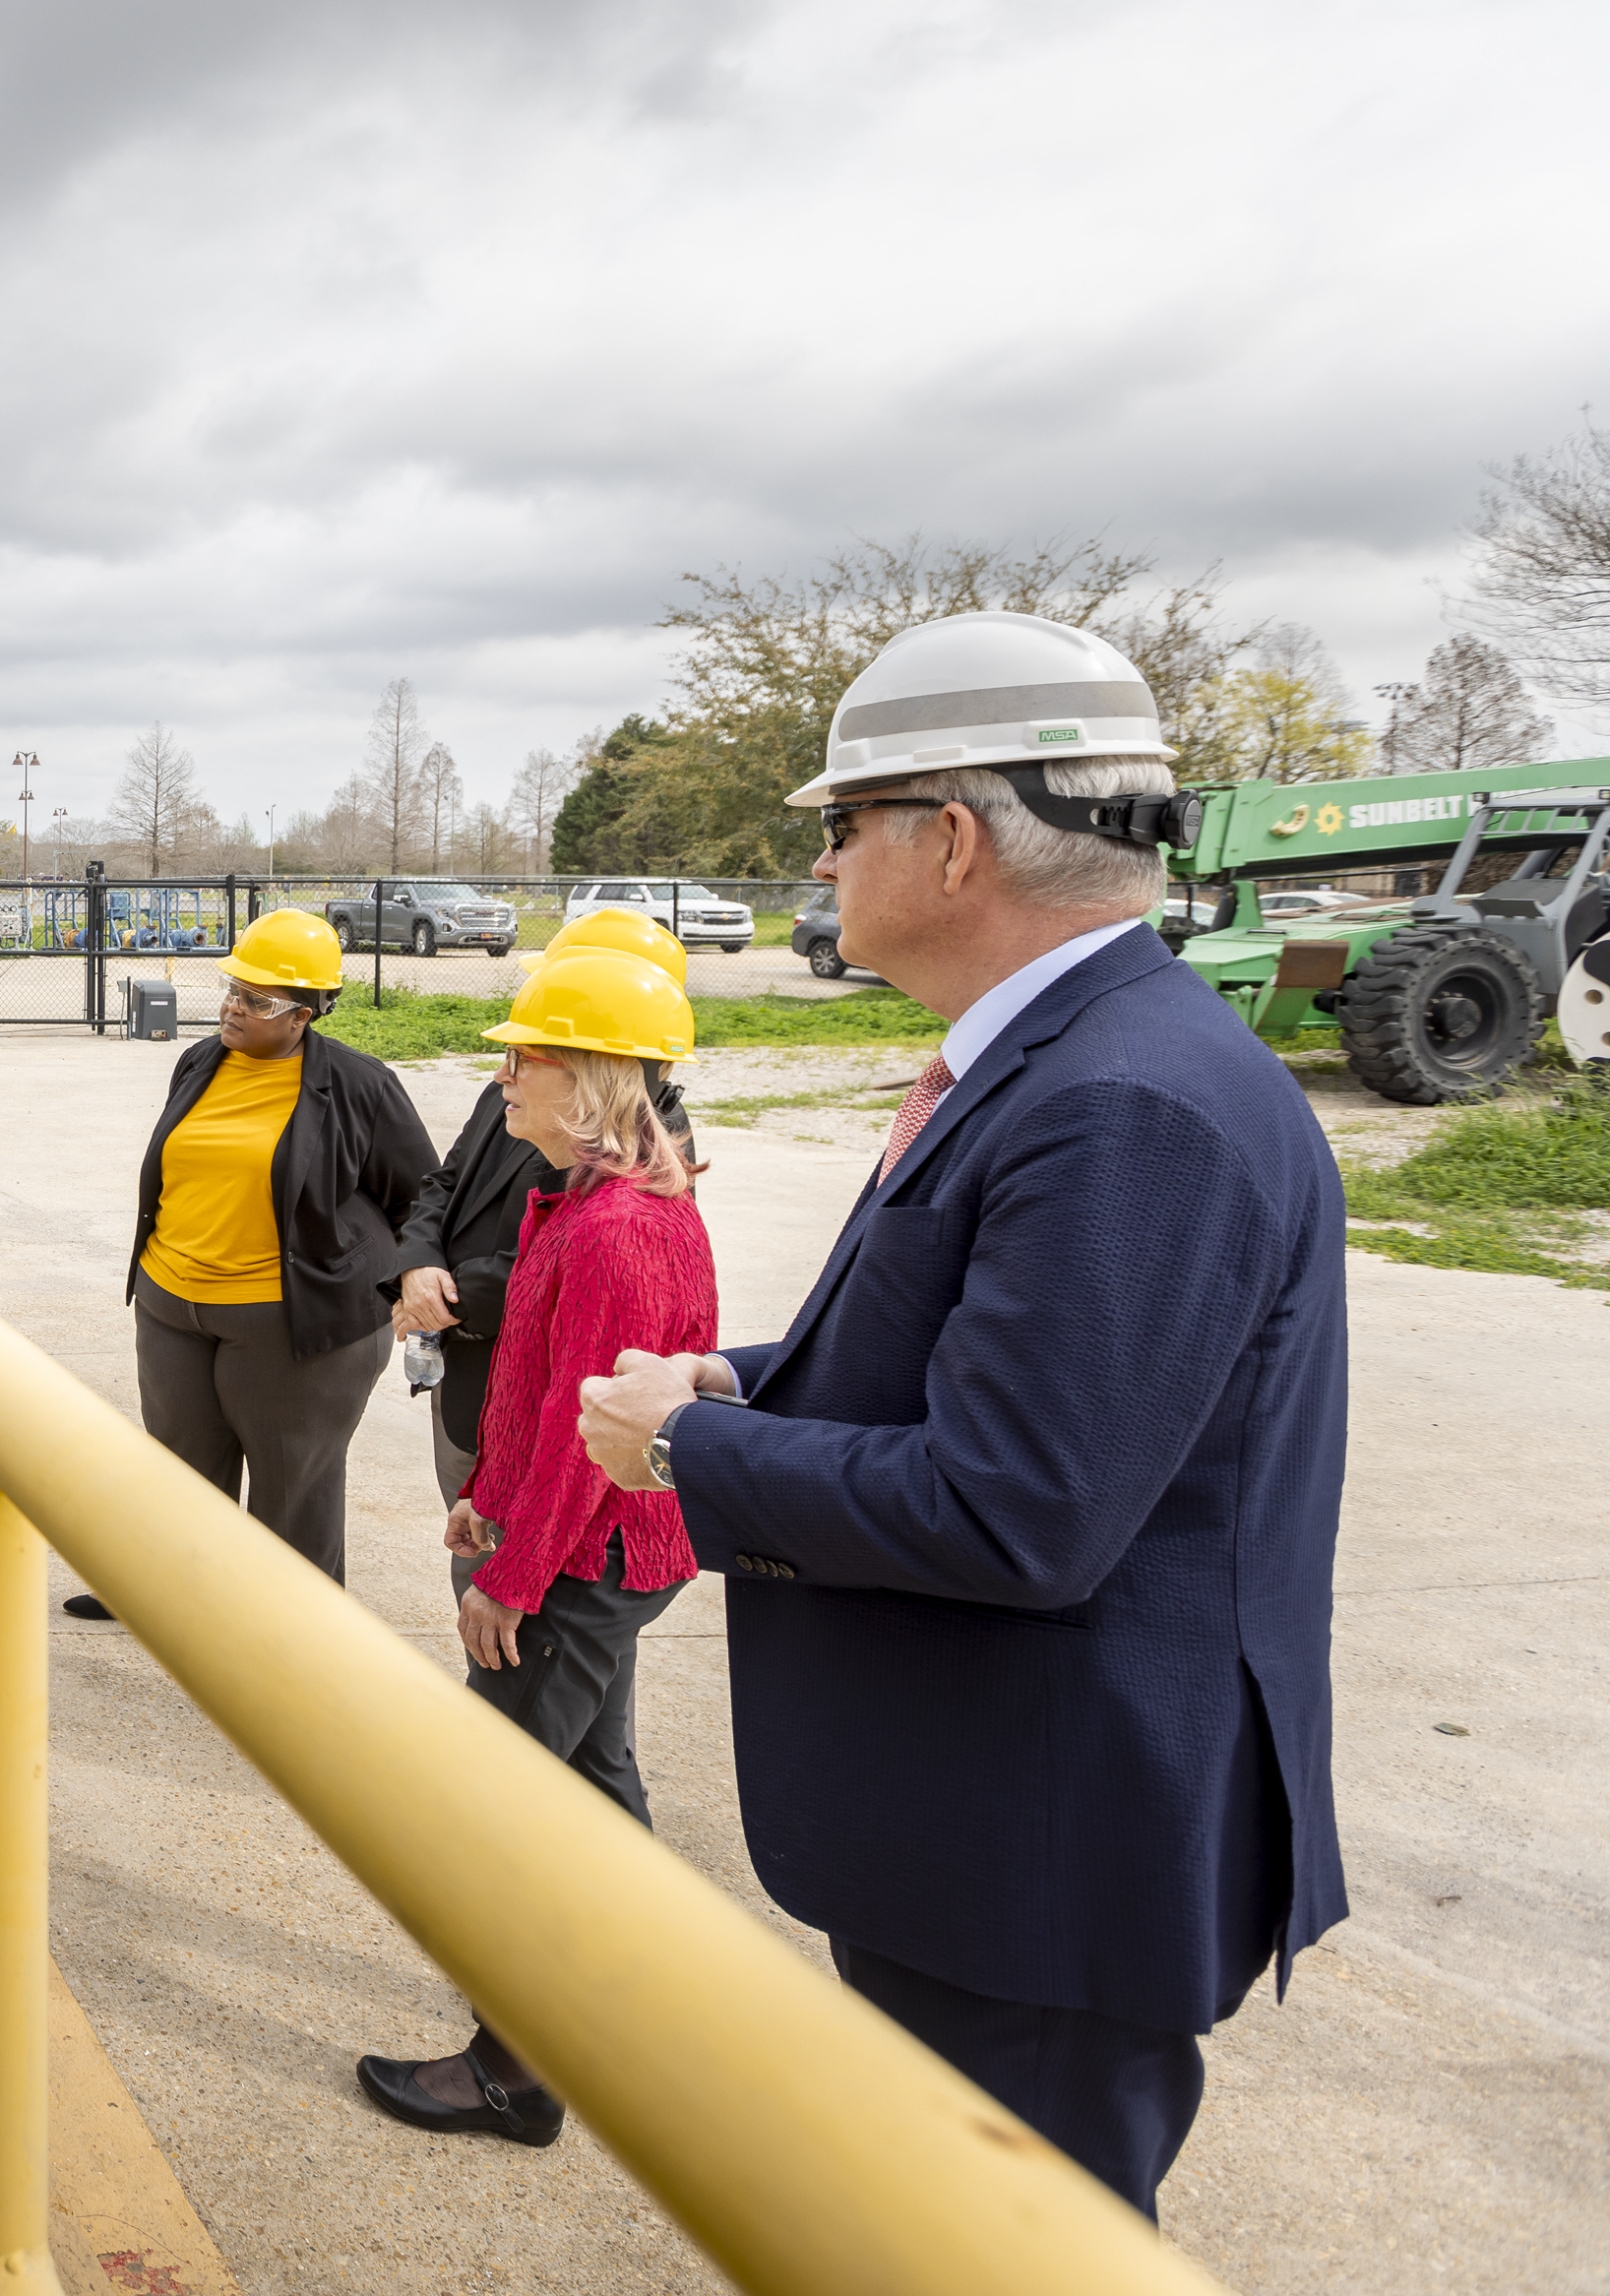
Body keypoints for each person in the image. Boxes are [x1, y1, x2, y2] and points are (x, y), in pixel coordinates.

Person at [575, 609, 1347, 2218]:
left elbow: (1017, 1506)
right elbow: (985, 1363)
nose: (824, 868)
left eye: (841, 826)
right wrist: (746, 1382)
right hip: (1009, 1834)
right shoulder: (1082, 1055)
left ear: (948, 838)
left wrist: (685, 1449)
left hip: (1040, 1864)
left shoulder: (1121, 1097)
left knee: (992, 2243)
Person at [356, 946, 712, 2148]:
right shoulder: (600, 1200)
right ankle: (637, 1992)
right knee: (597, 1778)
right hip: (589, 1548)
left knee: (501, 1820)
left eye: (527, 1058)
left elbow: (591, 1441)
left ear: (593, 1082)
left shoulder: (614, 1228)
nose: (502, 1078)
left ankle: (514, 2072)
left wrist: (511, 1573)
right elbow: (540, 1386)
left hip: (581, 1563)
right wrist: (486, 1495)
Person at [80, 909, 433, 1619]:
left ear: (303, 1015)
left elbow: (423, 1195)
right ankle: (170, 1597)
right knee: (179, 1467)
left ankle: (290, 1640)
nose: (233, 1007)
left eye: (257, 1001)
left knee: (291, 1485)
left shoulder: (360, 1086)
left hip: (294, 1320)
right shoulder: (202, 1060)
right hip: (172, 1303)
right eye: (232, 988)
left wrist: (412, 1280)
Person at [393, 907, 696, 1594]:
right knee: (476, 1548)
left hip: (527, 1406)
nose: (510, 1072)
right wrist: (417, 1265)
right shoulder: (528, 1083)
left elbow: (568, 1304)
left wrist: (448, 1299)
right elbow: (445, 1179)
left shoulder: (642, 1158)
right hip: (476, 1385)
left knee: (510, 1607)